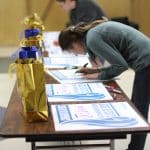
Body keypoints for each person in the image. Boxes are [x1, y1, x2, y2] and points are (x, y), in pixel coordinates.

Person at [58, 18, 150, 150]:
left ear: (74, 43)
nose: (75, 54)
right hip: (145, 60)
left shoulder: (92, 39)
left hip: (146, 62)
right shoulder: (91, 35)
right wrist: (95, 70)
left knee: (140, 110)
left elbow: (120, 65)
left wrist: (99, 75)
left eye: (72, 51)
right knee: (137, 105)